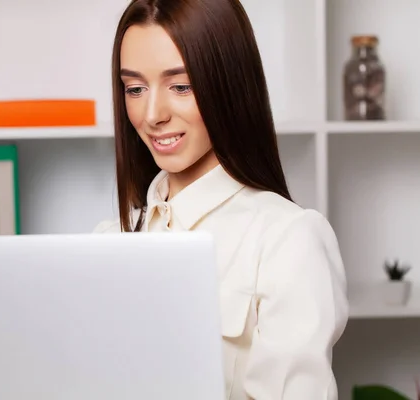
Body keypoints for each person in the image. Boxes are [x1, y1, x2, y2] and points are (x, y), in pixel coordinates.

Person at [94, 0, 349, 399]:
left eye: (181, 86)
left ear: (228, 85)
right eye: (135, 88)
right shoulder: (107, 242)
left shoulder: (287, 239)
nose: (152, 114)